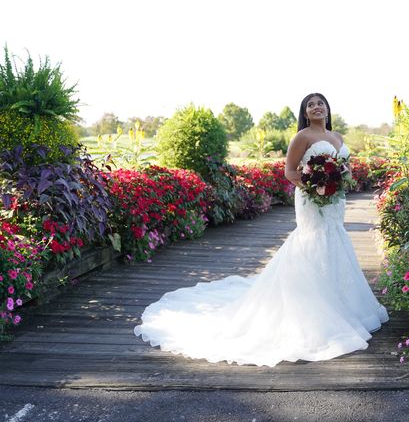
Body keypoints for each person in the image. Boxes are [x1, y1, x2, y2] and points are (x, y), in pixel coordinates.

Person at [133, 93, 389, 367]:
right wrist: (315, 188)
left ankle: (343, 304)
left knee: (335, 239)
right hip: (312, 200)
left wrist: (338, 181)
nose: (316, 107)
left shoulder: (337, 137)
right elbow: (290, 172)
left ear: (328, 108)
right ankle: (313, 310)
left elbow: (345, 168)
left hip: (335, 202)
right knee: (312, 241)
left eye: (320, 103)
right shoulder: (301, 137)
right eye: (310, 104)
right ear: (304, 112)